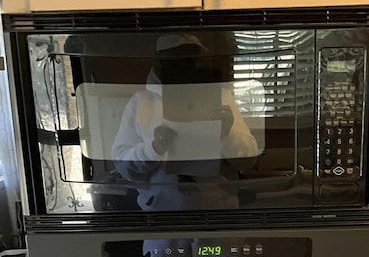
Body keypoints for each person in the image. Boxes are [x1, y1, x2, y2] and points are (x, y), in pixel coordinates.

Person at [111, 32, 259, 211]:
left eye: (190, 59)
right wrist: (153, 148)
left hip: (218, 214)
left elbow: (248, 161)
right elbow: (124, 168)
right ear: (159, 61)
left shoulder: (221, 98)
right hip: (162, 219)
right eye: (175, 60)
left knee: (216, 241)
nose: (183, 65)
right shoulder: (141, 102)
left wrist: (228, 134)